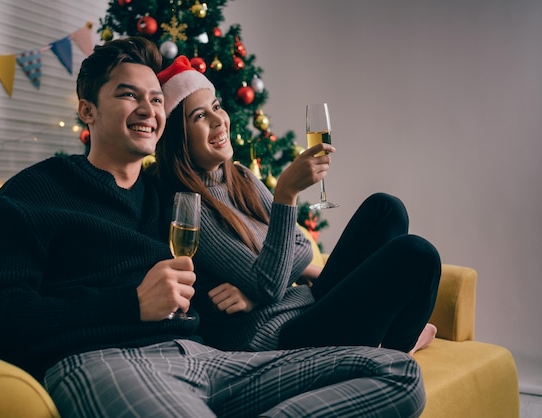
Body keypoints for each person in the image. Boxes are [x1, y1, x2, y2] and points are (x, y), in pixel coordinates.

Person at [0, 38, 427, 418]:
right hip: (108, 362)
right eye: (127, 94)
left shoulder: (170, 199)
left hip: (210, 358)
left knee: (399, 373)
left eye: (156, 99)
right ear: (87, 111)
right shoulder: (34, 193)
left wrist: (257, 291)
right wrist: (131, 303)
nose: (148, 108)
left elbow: (249, 269)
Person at [154, 55, 441, 356]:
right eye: (199, 116)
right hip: (280, 337)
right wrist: (286, 194)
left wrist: (254, 294)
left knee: (386, 208)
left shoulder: (241, 177)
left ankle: (379, 339)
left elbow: (301, 245)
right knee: (417, 254)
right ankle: (393, 350)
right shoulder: (190, 206)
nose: (218, 120)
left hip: (305, 306)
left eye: (216, 107)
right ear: (178, 138)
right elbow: (269, 284)